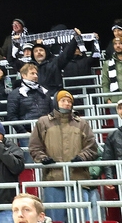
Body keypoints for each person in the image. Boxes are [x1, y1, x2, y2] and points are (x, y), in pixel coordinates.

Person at [28, 90, 99, 223]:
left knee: (81, 219)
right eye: (63, 100)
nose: (66, 103)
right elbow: (34, 146)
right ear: (56, 102)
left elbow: (92, 147)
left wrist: (82, 157)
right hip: (53, 179)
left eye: (69, 101)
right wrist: (42, 158)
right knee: (55, 220)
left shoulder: (82, 123)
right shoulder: (43, 122)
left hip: (78, 179)